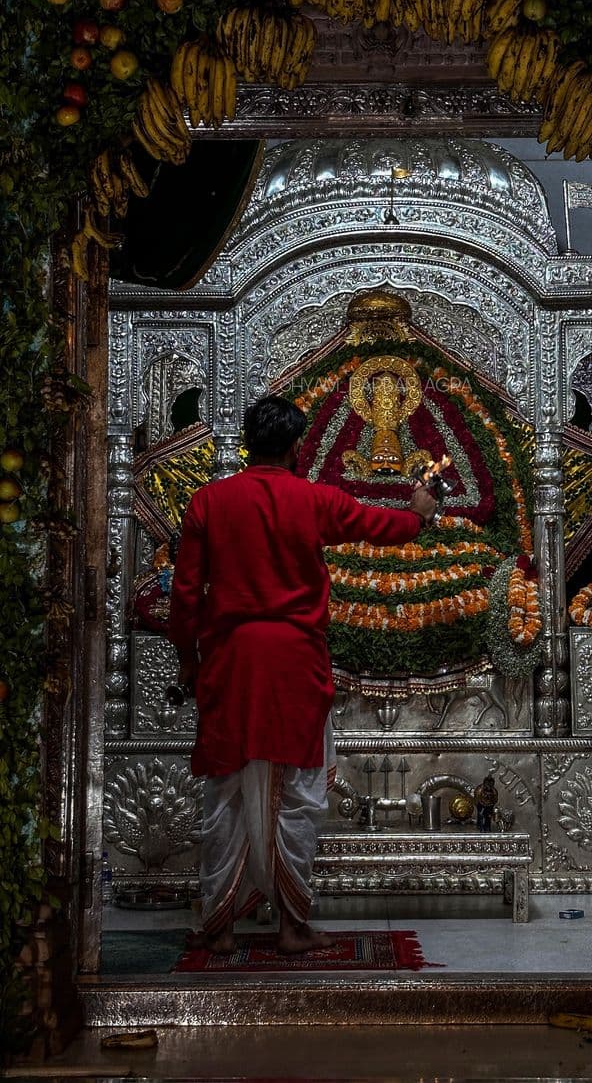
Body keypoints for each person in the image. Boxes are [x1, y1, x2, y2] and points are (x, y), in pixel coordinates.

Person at [168, 394, 436, 955]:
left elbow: (186, 596)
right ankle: (291, 926)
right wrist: (418, 511)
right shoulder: (313, 499)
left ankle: (218, 927)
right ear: (295, 448)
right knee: (298, 793)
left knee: (225, 792)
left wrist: (191, 663)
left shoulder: (209, 502)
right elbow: (382, 527)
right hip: (293, 663)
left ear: (246, 442)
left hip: (231, 662)